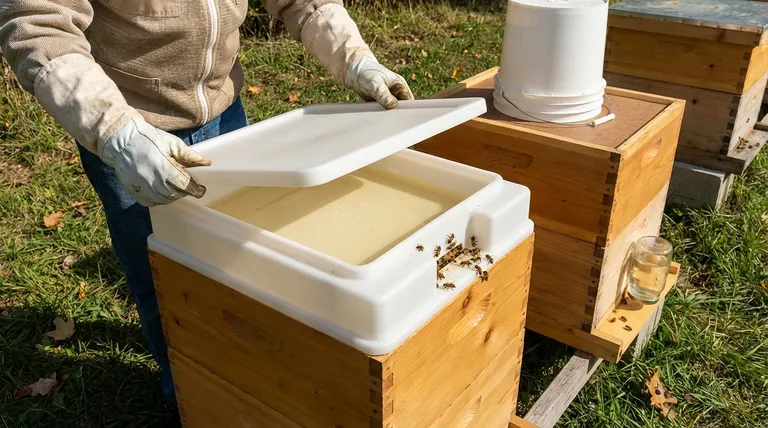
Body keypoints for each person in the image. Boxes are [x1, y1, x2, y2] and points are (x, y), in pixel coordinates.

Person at [0, 0, 413, 399]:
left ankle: (253, 382)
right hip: (132, 129)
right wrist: (117, 133)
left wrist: (354, 57)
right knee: (162, 273)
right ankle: (190, 392)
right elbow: (36, 21)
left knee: (248, 261)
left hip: (225, 112)